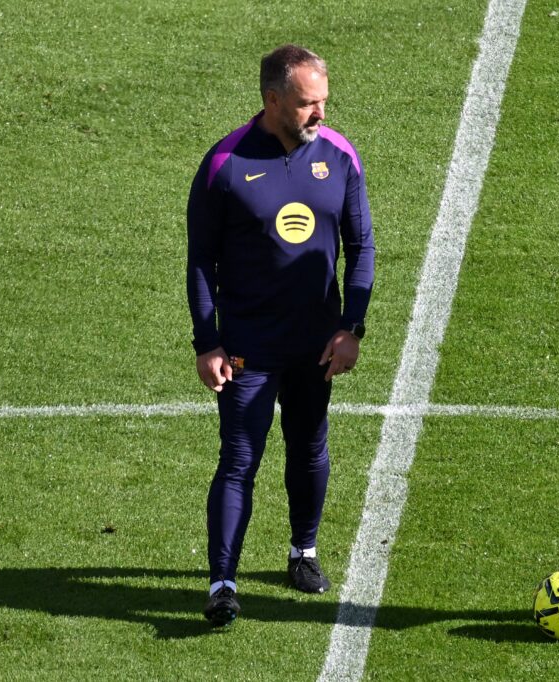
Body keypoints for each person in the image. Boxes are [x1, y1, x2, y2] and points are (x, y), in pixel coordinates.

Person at [186, 44, 375, 627]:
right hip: (249, 348)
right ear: (272, 100)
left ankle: (304, 551)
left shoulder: (339, 155)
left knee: (309, 446)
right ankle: (222, 584)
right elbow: (201, 260)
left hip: (316, 343)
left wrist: (351, 328)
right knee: (239, 459)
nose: (320, 113)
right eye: (307, 103)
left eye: (323, 101)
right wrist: (206, 342)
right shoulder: (225, 163)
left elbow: (361, 246)